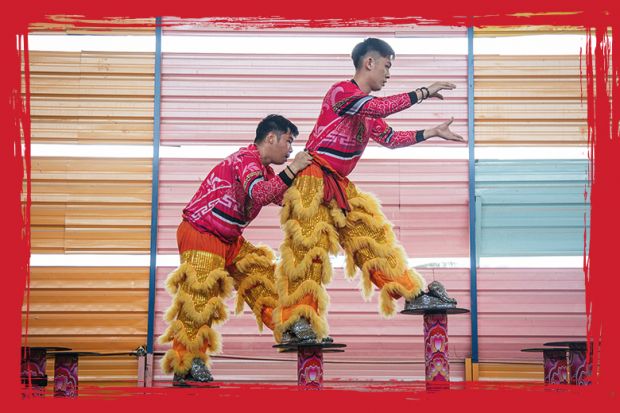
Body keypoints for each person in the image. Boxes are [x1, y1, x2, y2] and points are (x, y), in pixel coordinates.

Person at [272, 38, 464, 344]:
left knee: (372, 239)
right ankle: (297, 322)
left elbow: (390, 138)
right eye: (387, 66)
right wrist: (425, 91)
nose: (388, 74)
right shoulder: (342, 93)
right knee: (307, 253)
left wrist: (431, 132)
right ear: (369, 63)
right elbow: (383, 106)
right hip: (312, 178)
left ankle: (412, 293)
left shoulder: (365, 112)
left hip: (339, 184)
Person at [159, 114, 313, 385]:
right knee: (200, 298)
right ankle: (187, 363)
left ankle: (290, 325)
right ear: (271, 138)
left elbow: (282, 196)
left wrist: (316, 192)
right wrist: (294, 168)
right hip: (201, 233)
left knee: (261, 275)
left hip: (229, 239)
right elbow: (262, 194)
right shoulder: (246, 160)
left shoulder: (264, 171)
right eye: (288, 142)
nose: (291, 150)